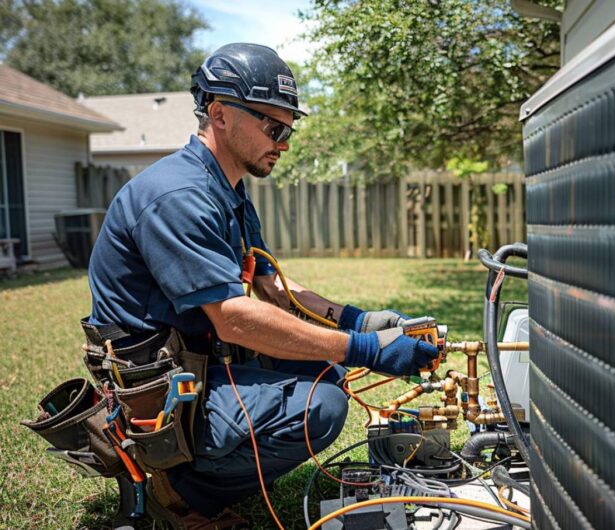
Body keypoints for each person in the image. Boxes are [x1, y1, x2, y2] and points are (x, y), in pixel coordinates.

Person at [84, 43, 439, 528]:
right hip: (161, 389)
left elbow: (272, 286)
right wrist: (365, 349)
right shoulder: (177, 195)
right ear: (220, 114)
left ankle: (213, 464)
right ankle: (179, 490)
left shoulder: (226, 187)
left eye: (288, 129)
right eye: (274, 127)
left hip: (199, 360)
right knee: (323, 404)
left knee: (322, 370)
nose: (284, 142)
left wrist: (358, 320)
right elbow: (232, 318)